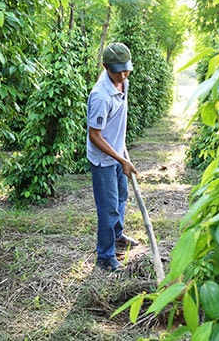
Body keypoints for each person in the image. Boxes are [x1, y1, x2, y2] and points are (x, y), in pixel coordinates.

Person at [86, 42, 140, 272]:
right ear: (106, 67)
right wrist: (121, 159)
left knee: (122, 196)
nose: (123, 75)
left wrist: (122, 153)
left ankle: (117, 236)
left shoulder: (122, 81)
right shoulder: (100, 96)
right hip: (104, 159)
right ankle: (105, 256)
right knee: (108, 208)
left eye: (126, 69)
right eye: (118, 70)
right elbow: (94, 136)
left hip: (118, 153)